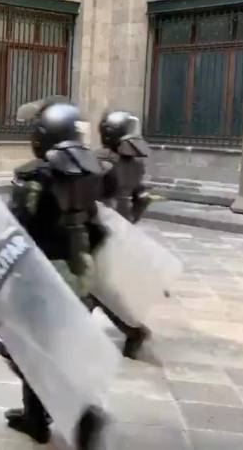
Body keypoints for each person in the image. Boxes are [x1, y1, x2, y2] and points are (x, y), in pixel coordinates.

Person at [0, 100, 108, 447]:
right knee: (56, 346)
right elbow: (98, 228)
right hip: (80, 273)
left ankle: (81, 413)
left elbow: (16, 228)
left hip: (45, 277)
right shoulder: (89, 174)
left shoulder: (35, 177)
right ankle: (35, 416)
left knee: (19, 345)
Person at [90, 110, 153, 358]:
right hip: (121, 228)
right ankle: (132, 330)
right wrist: (131, 221)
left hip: (101, 229)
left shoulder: (101, 161)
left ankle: (133, 330)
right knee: (100, 287)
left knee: (90, 287)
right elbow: (143, 198)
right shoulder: (135, 164)